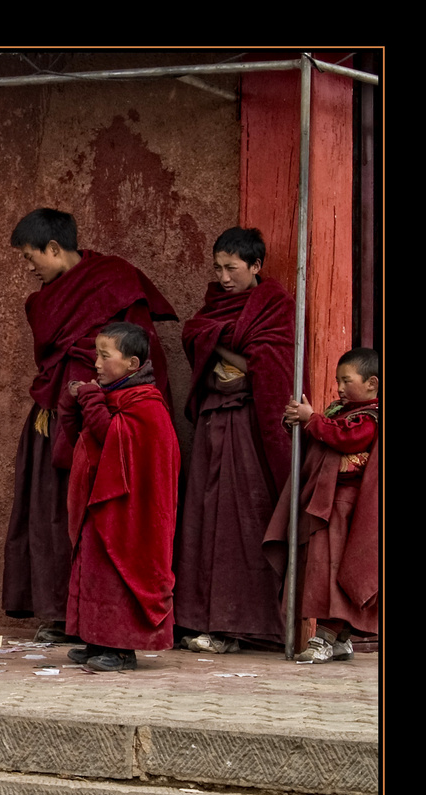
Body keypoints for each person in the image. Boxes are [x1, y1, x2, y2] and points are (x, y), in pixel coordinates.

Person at [4, 208, 176, 642]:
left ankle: (104, 624)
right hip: (57, 411)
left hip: (108, 424)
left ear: (56, 248)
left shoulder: (114, 281)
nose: (29, 268)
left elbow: (142, 353)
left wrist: (107, 410)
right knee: (51, 514)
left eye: (31, 257)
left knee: (99, 524)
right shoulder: (46, 298)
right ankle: (62, 613)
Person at [174, 228, 295, 653]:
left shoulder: (275, 305)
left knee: (242, 523)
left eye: (233, 268)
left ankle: (245, 625)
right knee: (204, 521)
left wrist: (219, 344)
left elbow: (270, 361)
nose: (224, 278)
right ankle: (200, 620)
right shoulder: (214, 305)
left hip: (248, 426)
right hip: (212, 423)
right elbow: (194, 335)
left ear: (256, 266)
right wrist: (225, 345)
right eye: (218, 267)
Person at [58, 323, 181, 672]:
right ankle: (96, 638)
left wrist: (92, 398)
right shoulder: (111, 395)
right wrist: (73, 400)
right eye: (96, 353)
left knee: (119, 573)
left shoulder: (147, 405)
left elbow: (112, 438)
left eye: (104, 355)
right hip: (99, 505)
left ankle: (123, 648)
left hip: (129, 512)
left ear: (132, 363)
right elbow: (81, 436)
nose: (96, 362)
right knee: (94, 570)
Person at [267, 348, 379, 662]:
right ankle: (340, 638)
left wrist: (312, 419)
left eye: (347, 380)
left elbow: (347, 440)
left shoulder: (369, 418)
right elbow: (318, 440)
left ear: (372, 384)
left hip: (343, 508)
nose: (340, 387)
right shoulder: (337, 411)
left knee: (335, 571)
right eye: (337, 380)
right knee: (319, 569)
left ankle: (327, 637)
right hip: (323, 503)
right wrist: (298, 422)